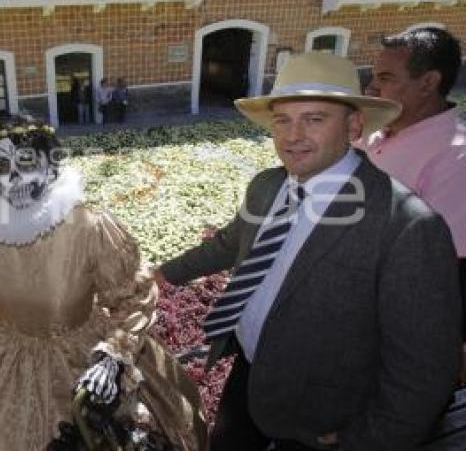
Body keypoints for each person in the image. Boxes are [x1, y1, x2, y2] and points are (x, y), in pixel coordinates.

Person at [158, 52, 461, 450]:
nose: (292, 135)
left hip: (323, 418)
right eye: (282, 120)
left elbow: (424, 370)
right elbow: (232, 242)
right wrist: (161, 275)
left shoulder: (408, 228)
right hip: (247, 381)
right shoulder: (267, 185)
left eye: (314, 119)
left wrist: (363, 441)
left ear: (354, 126)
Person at [0, 117, 207, 451]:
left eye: (27, 162)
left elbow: (133, 295)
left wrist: (113, 357)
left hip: (80, 354)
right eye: (1, 166)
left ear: (52, 166)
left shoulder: (89, 227)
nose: (14, 176)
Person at [357, 26, 466, 381]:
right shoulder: (377, 132)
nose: (373, 88)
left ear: (428, 82)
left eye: (386, 78)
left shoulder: (456, 158)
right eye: (374, 77)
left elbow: (443, 273)